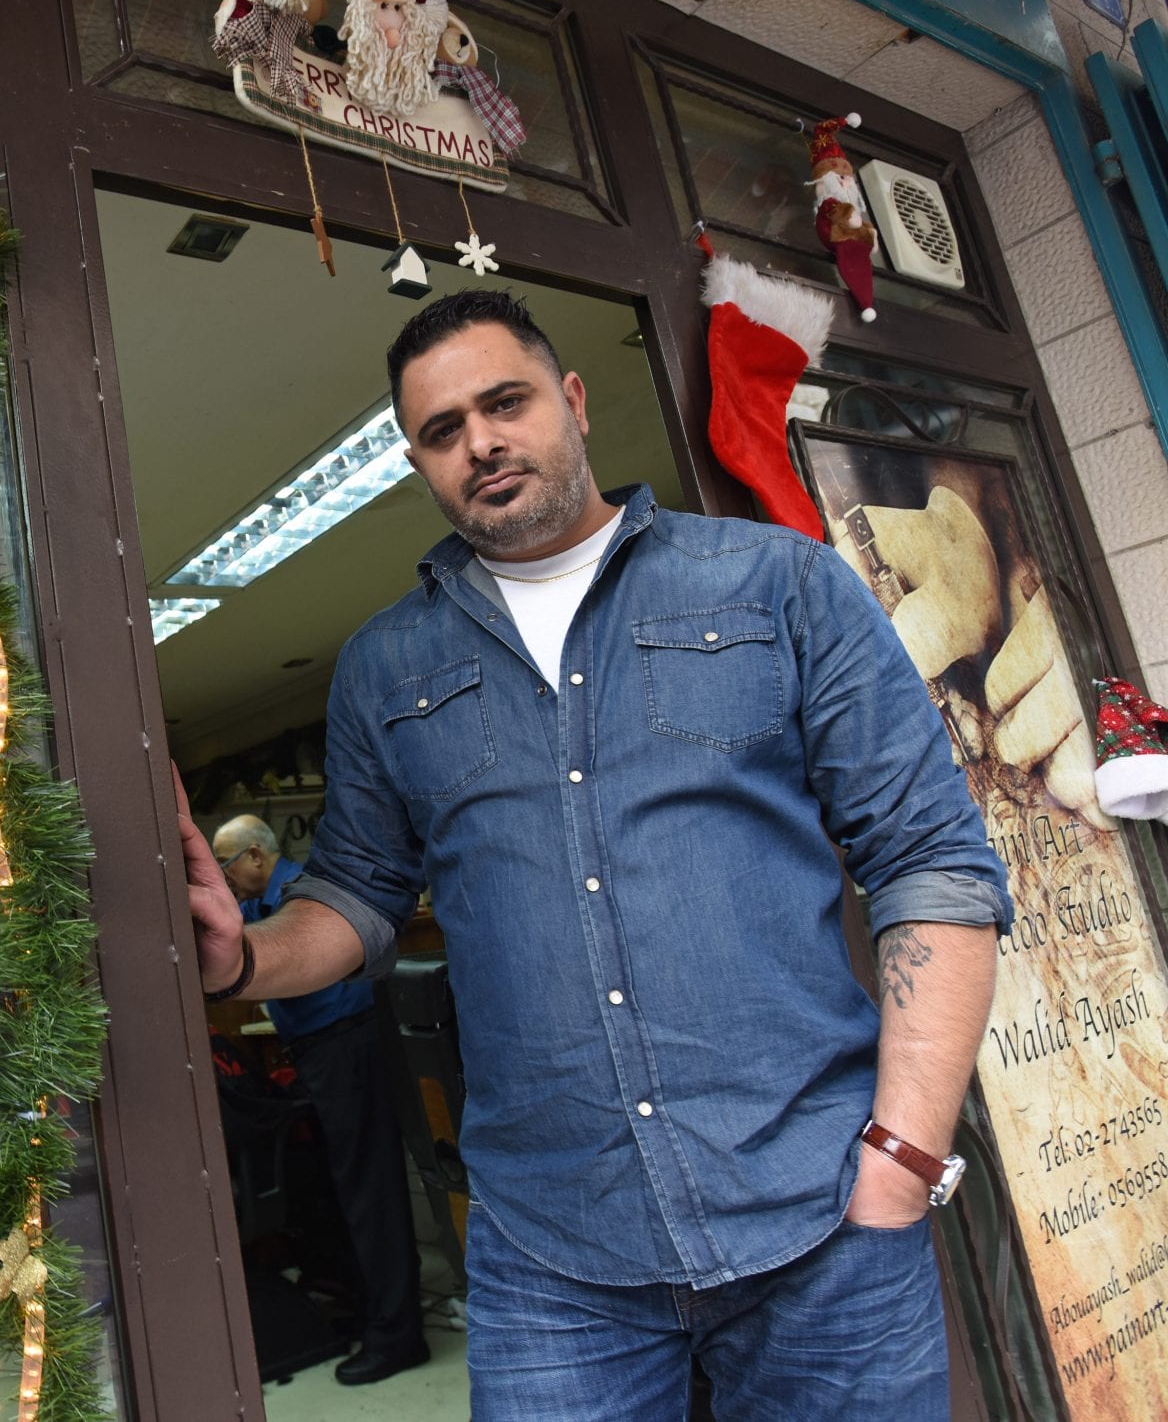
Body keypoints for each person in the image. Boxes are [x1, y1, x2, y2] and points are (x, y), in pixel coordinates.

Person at [179, 290, 1009, 1417]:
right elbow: (358, 896)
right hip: (551, 1260)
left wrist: (901, 1161)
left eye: (503, 401)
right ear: (418, 463)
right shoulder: (385, 670)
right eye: (439, 430)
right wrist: (241, 958)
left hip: (820, 1217)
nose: (478, 441)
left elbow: (932, 864)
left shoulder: (777, 585)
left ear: (569, 403)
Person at [210, 815, 426, 1384]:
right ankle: (370, 1315)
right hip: (321, 1053)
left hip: (346, 1048)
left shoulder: (300, 899)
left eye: (228, 864)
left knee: (369, 1191)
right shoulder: (263, 907)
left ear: (256, 856)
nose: (227, 877)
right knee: (342, 1190)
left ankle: (397, 1337)